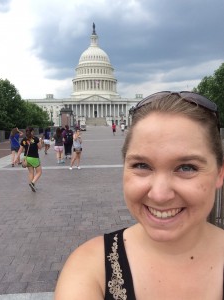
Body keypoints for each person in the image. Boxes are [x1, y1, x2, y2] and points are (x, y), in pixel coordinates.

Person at [55, 91, 224, 299]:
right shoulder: (89, 268)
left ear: (219, 173)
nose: (160, 195)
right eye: (142, 165)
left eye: (187, 167)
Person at [15, 127, 42, 192]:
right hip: (34, 158)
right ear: (32, 132)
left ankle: (32, 185)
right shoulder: (35, 139)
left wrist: (16, 158)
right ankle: (32, 183)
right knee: (39, 172)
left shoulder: (24, 140)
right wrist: (40, 141)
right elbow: (40, 147)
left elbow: (20, 150)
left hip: (26, 158)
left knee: (30, 172)